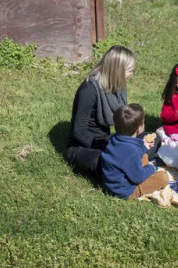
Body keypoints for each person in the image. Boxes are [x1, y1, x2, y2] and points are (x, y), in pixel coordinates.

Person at [64, 45, 135, 175]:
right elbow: (78, 132)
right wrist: (108, 146)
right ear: (117, 71)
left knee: (144, 141)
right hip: (83, 147)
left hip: (105, 139)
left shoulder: (118, 87)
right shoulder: (89, 90)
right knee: (113, 163)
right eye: (129, 70)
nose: (131, 74)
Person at [100, 104, 170, 200]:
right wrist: (151, 168)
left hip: (113, 182)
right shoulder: (131, 151)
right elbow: (138, 177)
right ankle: (143, 185)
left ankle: (145, 169)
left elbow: (129, 152)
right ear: (139, 128)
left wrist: (144, 146)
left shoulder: (115, 138)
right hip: (125, 190)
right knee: (163, 178)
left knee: (144, 155)